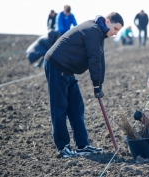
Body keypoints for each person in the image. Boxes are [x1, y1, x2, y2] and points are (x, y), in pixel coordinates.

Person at [43, 12, 124, 158]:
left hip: (67, 68)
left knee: (76, 106)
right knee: (59, 107)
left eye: (118, 30)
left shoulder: (99, 32)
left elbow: (100, 59)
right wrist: (95, 85)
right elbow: (93, 58)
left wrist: (99, 85)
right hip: (57, 65)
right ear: (107, 21)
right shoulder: (93, 30)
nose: (116, 33)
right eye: (115, 28)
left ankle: (82, 146)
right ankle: (63, 147)